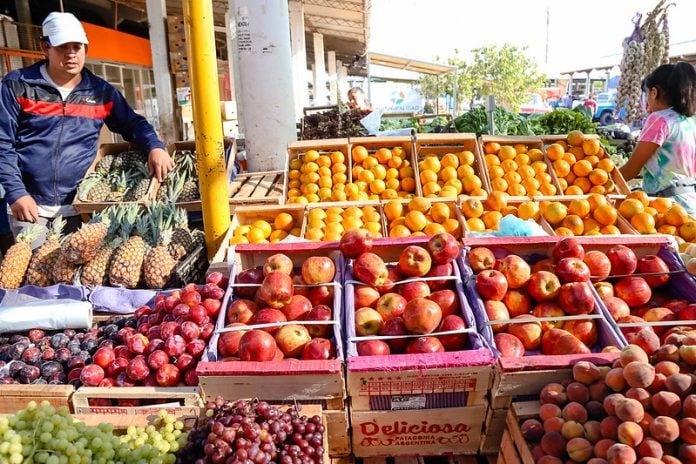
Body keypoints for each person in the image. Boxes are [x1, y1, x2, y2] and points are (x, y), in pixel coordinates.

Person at [0, 12, 173, 246]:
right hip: (31, 208)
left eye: (77, 47)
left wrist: (154, 146)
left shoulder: (99, 92)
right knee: (37, 278)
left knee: (79, 277)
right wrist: (16, 193)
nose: (71, 54)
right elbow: (3, 143)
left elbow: (133, 123)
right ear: (45, 47)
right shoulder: (18, 85)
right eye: (63, 47)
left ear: (86, 50)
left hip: (83, 207)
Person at [619, 62, 696, 215]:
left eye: (647, 93)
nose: (646, 100)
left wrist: (597, 183)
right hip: (689, 204)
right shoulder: (690, 121)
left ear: (654, 92)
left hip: (666, 209)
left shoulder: (659, 120)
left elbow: (631, 170)